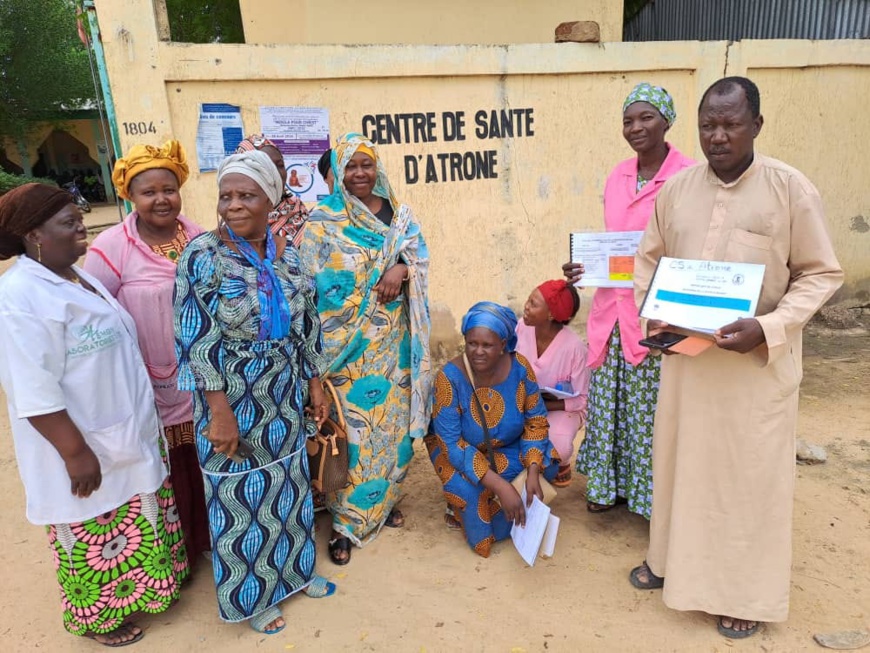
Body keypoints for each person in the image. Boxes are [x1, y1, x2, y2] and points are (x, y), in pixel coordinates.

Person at [630, 76, 843, 639]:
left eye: (730, 124)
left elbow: (821, 273)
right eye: (708, 125)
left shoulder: (790, 189)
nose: (718, 136)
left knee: (747, 482)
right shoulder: (676, 191)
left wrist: (768, 326)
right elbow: (648, 261)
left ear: (756, 126)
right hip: (689, 366)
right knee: (681, 468)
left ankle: (744, 594)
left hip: (754, 371)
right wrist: (651, 310)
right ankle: (671, 566)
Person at [0, 183, 189, 647]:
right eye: (68, 222)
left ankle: (146, 592)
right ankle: (98, 618)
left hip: (121, 427)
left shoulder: (78, 277)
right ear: (32, 234)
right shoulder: (19, 295)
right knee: (93, 522)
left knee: (134, 510)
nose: (82, 226)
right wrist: (75, 451)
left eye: (79, 217)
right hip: (80, 439)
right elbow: (32, 388)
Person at [174, 150, 335, 635]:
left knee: (288, 485)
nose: (234, 205)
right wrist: (218, 412)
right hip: (231, 397)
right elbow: (193, 337)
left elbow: (307, 325)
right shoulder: (201, 256)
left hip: (283, 392)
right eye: (226, 196)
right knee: (240, 495)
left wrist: (314, 383)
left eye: (247, 195)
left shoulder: (289, 254)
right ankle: (254, 595)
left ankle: (296, 572)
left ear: (272, 199)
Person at [563, 83, 695, 516]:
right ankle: (607, 489)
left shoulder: (688, 176)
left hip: (655, 312)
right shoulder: (617, 175)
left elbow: (687, 248)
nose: (635, 127)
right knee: (609, 401)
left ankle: (648, 500)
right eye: (628, 120)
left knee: (648, 412)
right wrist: (585, 268)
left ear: (667, 121)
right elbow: (614, 246)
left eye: (646, 118)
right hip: (611, 312)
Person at [298, 133, 431, 566]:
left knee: (388, 432)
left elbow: (420, 259)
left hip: (393, 346)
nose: (359, 173)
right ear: (338, 170)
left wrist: (402, 268)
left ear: (377, 168)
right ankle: (344, 524)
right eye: (351, 165)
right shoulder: (323, 220)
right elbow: (308, 286)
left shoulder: (399, 215)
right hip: (343, 352)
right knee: (351, 434)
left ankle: (380, 504)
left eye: (366, 164)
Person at [84, 140, 210, 568]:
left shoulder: (198, 237)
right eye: (149, 191)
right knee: (163, 467)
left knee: (201, 459)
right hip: (146, 384)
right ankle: (176, 555)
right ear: (130, 196)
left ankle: (209, 541)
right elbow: (94, 317)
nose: (161, 199)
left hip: (201, 377)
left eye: (169, 188)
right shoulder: (110, 248)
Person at [425, 302, 561, 557]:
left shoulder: (520, 368)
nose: (478, 352)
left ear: (503, 345)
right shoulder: (449, 378)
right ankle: (470, 505)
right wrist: (502, 487)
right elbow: (452, 445)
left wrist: (532, 471)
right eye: (471, 343)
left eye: (487, 345)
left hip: (508, 444)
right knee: (485, 537)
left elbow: (536, 420)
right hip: (459, 452)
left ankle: (501, 502)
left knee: (548, 462)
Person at [515, 280, 590, 487]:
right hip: (523, 403)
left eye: (533, 303)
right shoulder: (521, 328)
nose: (526, 307)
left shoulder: (575, 349)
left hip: (560, 409)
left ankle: (561, 463)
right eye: (529, 300)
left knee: (557, 445)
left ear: (550, 315)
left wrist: (542, 405)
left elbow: (583, 400)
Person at [235, 134, 309, 247]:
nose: (275, 173)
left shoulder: (299, 211)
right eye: (264, 166)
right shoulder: (235, 217)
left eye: (279, 165)